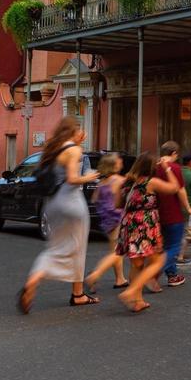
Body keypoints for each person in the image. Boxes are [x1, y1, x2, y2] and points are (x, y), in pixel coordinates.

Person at [18, 117, 100, 312]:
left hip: (52, 203)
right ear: (75, 132)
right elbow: (72, 179)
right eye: (80, 130)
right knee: (76, 248)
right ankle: (76, 294)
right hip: (71, 203)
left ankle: (39, 281)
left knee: (56, 248)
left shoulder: (54, 149)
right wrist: (89, 176)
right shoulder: (74, 150)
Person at [113, 154, 166, 313]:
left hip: (128, 224)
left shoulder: (127, 183)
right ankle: (130, 292)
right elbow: (174, 188)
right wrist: (168, 168)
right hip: (145, 225)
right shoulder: (151, 182)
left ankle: (137, 300)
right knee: (158, 260)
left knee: (137, 264)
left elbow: (117, 204)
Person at [84, 153, 129, 294]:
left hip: (107, 220)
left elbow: (94, 200)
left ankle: (120, 279)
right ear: (114, 165)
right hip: (119, 218)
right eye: (119, 160)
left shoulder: (102, 183)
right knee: (119, 251)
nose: (121, 162)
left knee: (115, 250)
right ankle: (94, 275)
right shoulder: (118, 180)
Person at [153, 141, 191, 288]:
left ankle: (172, 275)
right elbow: (180, 190)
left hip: (158, 212)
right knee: (174, 247)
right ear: (174, 153)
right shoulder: (175, 168)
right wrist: (188, 208)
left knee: (165, 246)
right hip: (173, 212)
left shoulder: (154, 168)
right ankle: (153, 273)